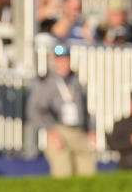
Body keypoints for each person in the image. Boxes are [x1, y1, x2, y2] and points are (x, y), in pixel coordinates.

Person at [27, 42, 97, 178]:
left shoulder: (76, 80)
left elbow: (87, 107)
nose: (63, 63)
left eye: (66, 59)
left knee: (88, 174)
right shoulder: (46, 82)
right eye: (59, 60)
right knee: (63, 173)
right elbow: (34, 110)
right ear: (54, 60)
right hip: (59, 130)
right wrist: (50, 131)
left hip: (79, 131)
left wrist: (92, 130)